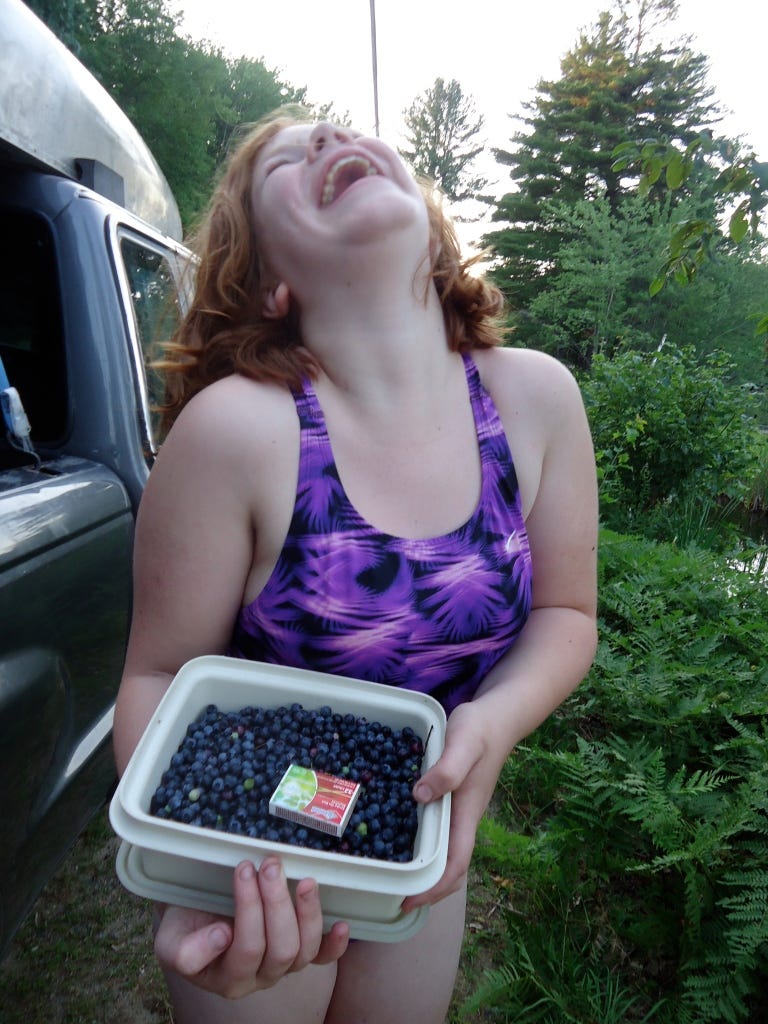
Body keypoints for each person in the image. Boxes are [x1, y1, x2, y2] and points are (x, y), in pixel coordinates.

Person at [113, 108, 598, 1024]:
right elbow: (156, 676)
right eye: (290, 163)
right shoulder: (237, 430)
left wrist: (490, 725)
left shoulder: (535, 399)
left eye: (344, 135)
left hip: (416, 843)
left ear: (426, 216)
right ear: (269, 286)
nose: (332, 142)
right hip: (259, 867)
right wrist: (194, 863)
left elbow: (568, 615)